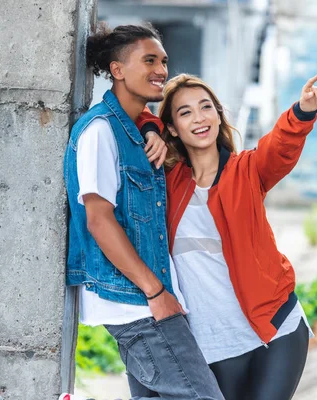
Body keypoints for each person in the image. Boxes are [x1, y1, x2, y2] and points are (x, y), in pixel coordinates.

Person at [61, 24, 224, 400]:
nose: (161, 70)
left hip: (147, 303)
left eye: (163, 61)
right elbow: (98, 220)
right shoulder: (99, 132)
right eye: (148, 60)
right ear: (117, 70)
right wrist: (156, 292)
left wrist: (151, 126)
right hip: (138, 305)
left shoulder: (137, 130)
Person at [156, 73, 317, 400]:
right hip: (212, 345)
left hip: (276, 329)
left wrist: (302, 112)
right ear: (174, 128)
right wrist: (151, 128)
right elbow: (131, 124)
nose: (199, 117)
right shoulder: (166, 184)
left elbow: (278, 148)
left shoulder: (246, 170)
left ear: (219, 116)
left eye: (206, 107)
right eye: (185, 112)